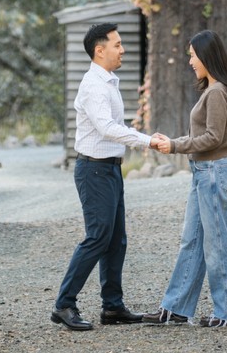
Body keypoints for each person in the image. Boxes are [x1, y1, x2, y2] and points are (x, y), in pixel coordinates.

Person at [52, 20, 164, 331]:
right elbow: (108, 129)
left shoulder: (108, 81)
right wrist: (148, 141)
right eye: (117, 44)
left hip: (110, 169)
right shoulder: (93, 86)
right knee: (98, 237)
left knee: (116, 241)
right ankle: (64, 304)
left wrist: (143, 140)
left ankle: (112, 307)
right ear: (99, 51)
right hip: (93, 170)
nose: (122, 49)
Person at [143, 30, 227, 328]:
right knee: (192, 240)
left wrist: (174, 146)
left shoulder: (217, 92)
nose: (190, 61)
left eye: (192, 55)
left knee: (217, 245)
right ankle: (176, 308)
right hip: (204, 172)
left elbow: (213, 138)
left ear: (206, 56)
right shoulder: (214, 90)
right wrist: (171, 141)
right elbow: (203, 136)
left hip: (213, 172)